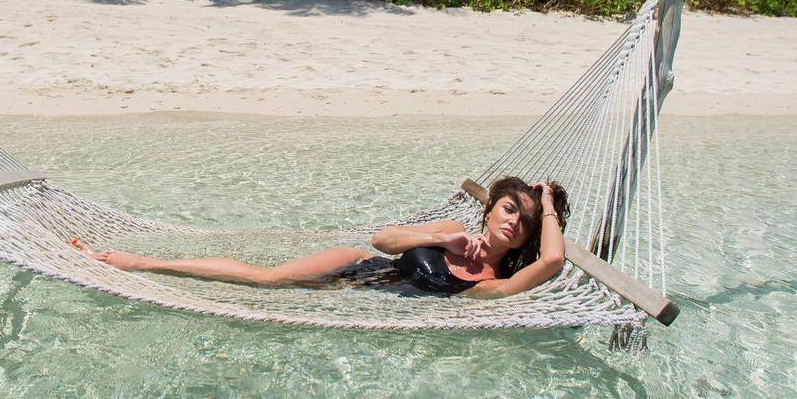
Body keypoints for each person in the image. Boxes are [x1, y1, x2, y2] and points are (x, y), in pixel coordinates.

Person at [83, 176, 570, 298]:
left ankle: (139, 263)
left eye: (523, 222)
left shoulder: (490, 282)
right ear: (489, 209)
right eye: (509, 208)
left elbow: (550, 263)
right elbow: (382, 240)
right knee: (265, 280)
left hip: (357, 299)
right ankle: (140, 263)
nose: (513, 222)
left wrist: (547, 208)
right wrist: (443, 243)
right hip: (356, 266)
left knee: (268, 286)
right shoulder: (453, 232)